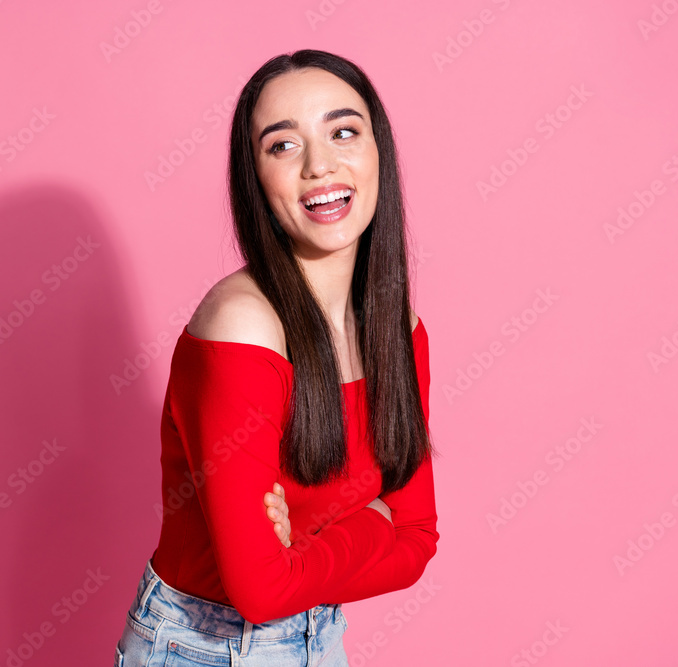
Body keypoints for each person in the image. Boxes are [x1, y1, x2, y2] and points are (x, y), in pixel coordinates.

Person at [114, 48, 439, 666]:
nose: (321, 165)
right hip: (202, 648)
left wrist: (303, 557)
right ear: (255, 179)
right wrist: (374, 522)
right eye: (283, 146)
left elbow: (419, 540)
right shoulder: (242, 325)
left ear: (379, 154)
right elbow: (261, 591)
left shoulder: (398, 328)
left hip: (323, 640)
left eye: (344, 132)